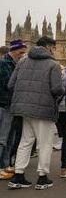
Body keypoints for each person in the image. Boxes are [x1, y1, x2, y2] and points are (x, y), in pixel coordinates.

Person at [8, 36, 64, 190]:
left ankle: (18, 175)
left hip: (23, 109)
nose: (54, 50)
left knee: (25, 142)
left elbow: (11, 84)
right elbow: (57, 89)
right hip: (44, 110)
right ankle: (42, 177)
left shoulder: (22, 61)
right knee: (45, 144)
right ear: (48, 47)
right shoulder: (54, 65)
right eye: (53, 47)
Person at [0, 40, 27, 180]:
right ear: (14, 50)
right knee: (2, 138)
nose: (23, 55)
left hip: (11, 105)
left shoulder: (15, 63)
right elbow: (7, 84)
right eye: (21, 52)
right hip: (4, 105)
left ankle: (5, 166)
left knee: (10, 138)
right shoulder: (4, 64)